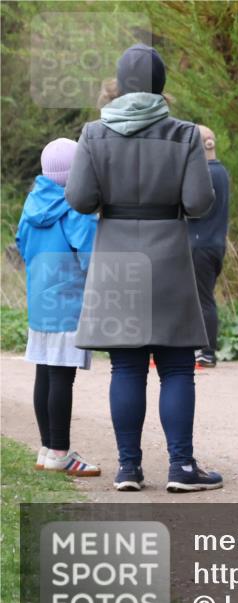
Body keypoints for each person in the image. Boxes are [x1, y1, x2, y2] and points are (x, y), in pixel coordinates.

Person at [65, 44, 223, 493]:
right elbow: (197, 203)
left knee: (127, 368)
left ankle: (128, 469)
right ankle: (180, 467)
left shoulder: (94, 133)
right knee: (176, 367)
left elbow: (79, 200)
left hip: (115, 253)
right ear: (161, 84)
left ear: (120, 83)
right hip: (169, 256)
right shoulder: (185, 134)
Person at [16, 138, 101, 476]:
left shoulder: (32, 202)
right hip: (67, 303)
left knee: (44, 373)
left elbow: (22, 244)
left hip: (40, 301)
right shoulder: (74, 208)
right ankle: (61, 452)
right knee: (61, 378)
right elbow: (91, 256)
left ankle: (46, 448)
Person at [188, 125, 230, 368]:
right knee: (204, 297)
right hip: (215, 243)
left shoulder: (202, 175)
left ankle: (207, 351)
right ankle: (201, 348)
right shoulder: (221, 172)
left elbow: (193, 207)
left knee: (203, 299)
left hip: (199, 243)